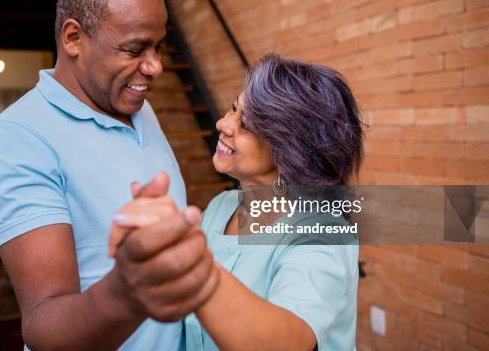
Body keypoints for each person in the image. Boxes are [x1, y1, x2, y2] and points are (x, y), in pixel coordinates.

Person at [0, 0, 219, 350]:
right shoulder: (19, 138)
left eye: (158, 46)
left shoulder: (139, 109)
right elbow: (42, 325)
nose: (155, 66)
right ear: (73, 38)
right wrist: (128, 291)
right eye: (135, 49)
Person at [110, 54, 365, 350]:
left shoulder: (323, 235)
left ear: (290, 151)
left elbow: (285, 342)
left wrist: (191, 264)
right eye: (233, 109)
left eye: (247, 125)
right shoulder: (222, 206)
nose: (223, 124)